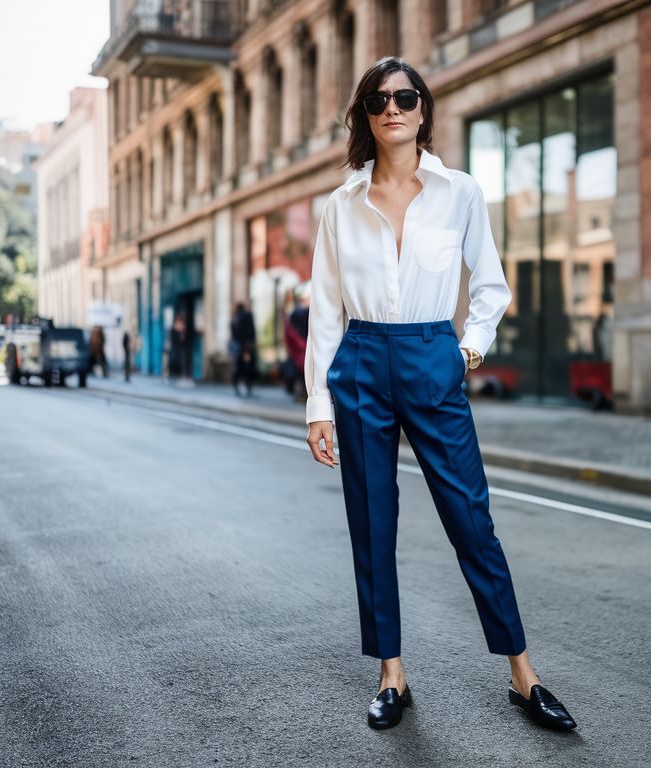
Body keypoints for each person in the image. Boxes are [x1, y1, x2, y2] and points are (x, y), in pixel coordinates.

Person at [304, 57, 576, 732]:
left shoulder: (460, 193)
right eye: (378, 99)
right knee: (373, 528)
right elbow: (326, 312)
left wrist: (466, 350)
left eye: (405, 96)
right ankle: (391, 676)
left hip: (432, 357)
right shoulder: (341, 204)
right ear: (366, 116)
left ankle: (523, 674)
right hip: (361, 360)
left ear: (424, 108)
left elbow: (491, 285)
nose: (392, 107)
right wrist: (317, 403)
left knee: (470, 521)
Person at [230, 303, 256, 396]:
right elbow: (251, 331)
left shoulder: (235, 318)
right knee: (247, 368)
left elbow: (233, 335)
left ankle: (237, 387)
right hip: (246, 347)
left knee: (239, 368)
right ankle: (248, 387)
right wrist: (248, 347)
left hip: (238, 348)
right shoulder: (247, 316)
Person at [168, 315, 188, 380]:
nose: (181, 326)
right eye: (179, 324)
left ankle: (180, 374)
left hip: (181, 353)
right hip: (175, 353)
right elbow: (173, 341)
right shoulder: (173, 332)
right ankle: (173, 374)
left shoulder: (182, 333)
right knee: (175, 362)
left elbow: (184, 343)